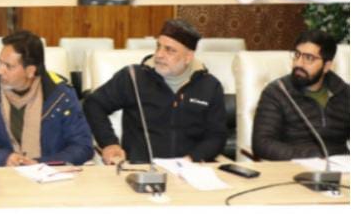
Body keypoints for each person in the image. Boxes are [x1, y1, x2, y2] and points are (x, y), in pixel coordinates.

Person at [83, 19, 227, 163]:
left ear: (188, 57)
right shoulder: (133, 77)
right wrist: (109, 143)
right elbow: (93, 104)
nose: (159, 54)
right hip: (141, 167)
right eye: (158, 46)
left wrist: (191, 160)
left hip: (191, 167)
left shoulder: (210, 86)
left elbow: (217, 136)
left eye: (169, 50)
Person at [0, 31, 93, 167]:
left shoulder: (61, 96)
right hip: (4, 173)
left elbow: (82, 146)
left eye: (8, 66)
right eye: (0, 62)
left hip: (49, 174)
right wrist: (4, 157)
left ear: (30, 71)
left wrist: (42, 163)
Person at [251, 30, 350, 161]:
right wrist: (313, 158)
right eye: (297, 55)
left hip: (341, 167)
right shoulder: (277, 92)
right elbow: (262, 143)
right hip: (294, 166)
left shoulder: (344, 93)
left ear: (326, 66)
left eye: (309, 58)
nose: (298, 63)